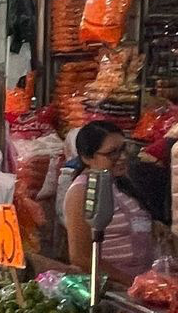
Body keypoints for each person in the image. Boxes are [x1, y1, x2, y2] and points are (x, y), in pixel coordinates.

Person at [64, 121, 156, 285]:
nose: (122, 157)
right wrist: (132, 282)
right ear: (87, 157)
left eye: (123, 150)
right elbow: (81, 257)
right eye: (112, 153)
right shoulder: (80, 192)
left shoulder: (122, 184)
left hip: (140, 286)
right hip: (112, 290)